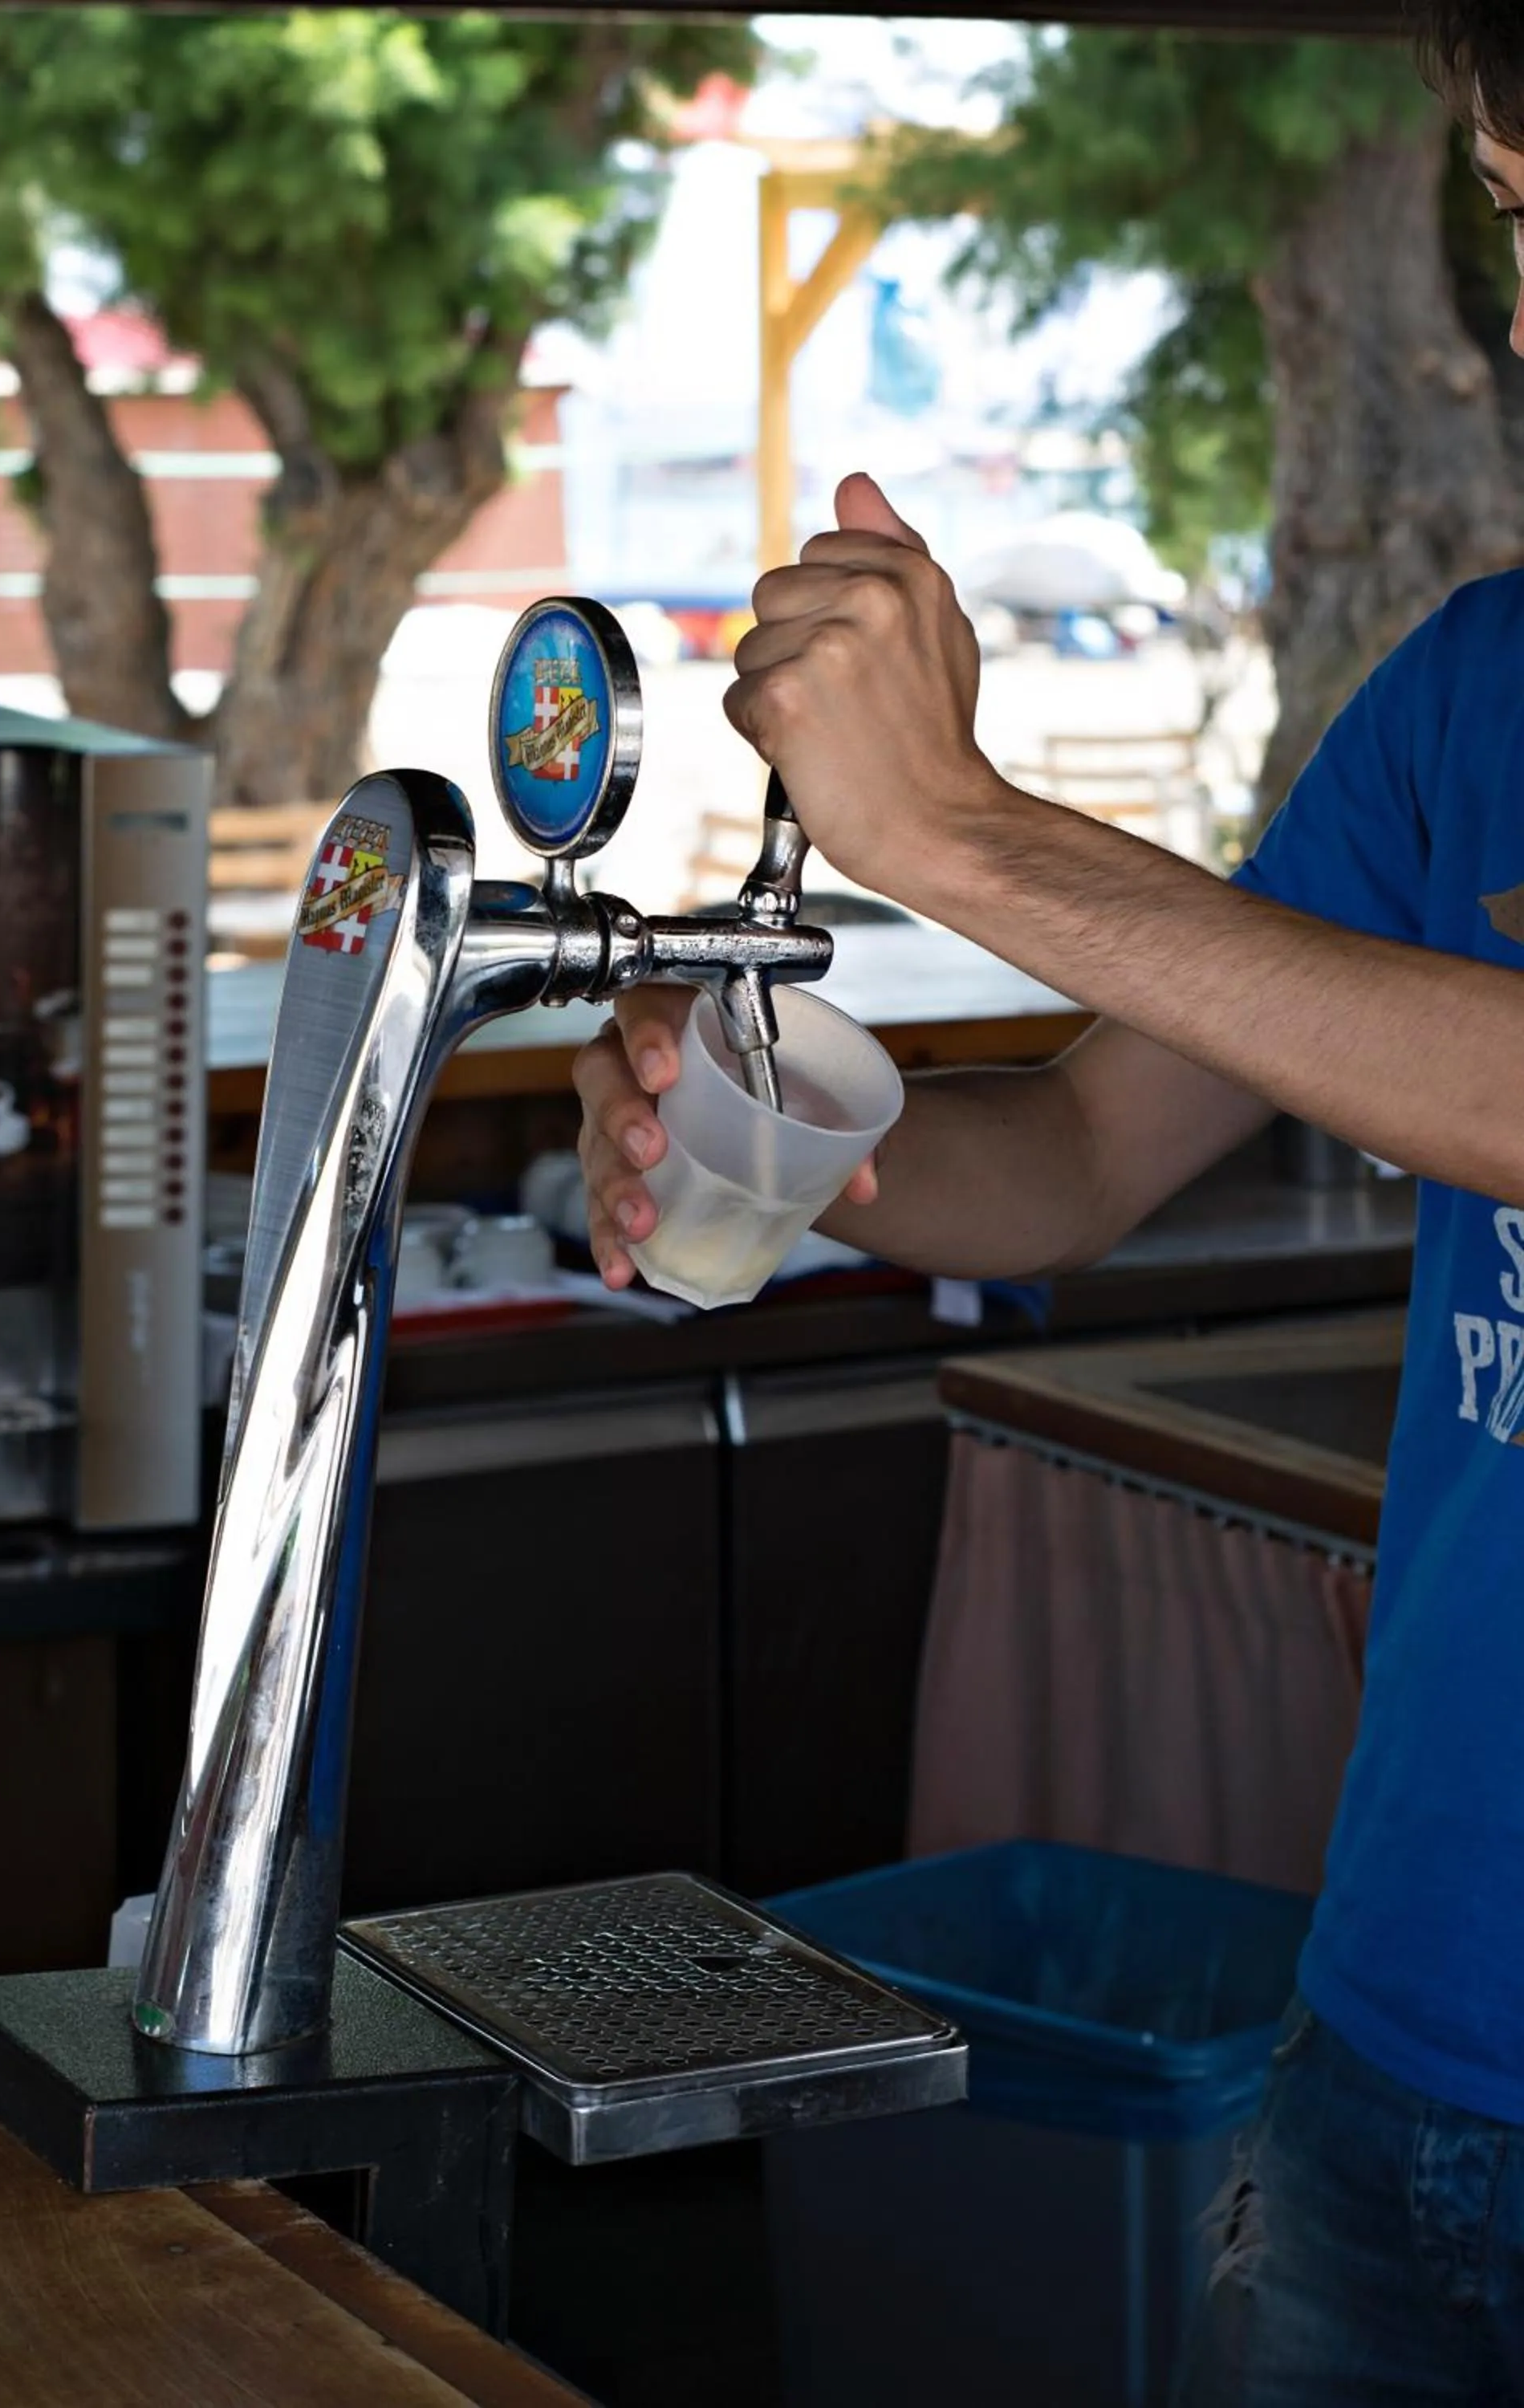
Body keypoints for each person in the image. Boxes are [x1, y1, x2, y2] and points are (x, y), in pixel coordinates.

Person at [574, 5, 1524, 2396]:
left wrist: (966, 836)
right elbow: (1088, 1155)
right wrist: (775, 1143)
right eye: (1521, 214)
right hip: (1405, 2045)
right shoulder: (1480, 692)